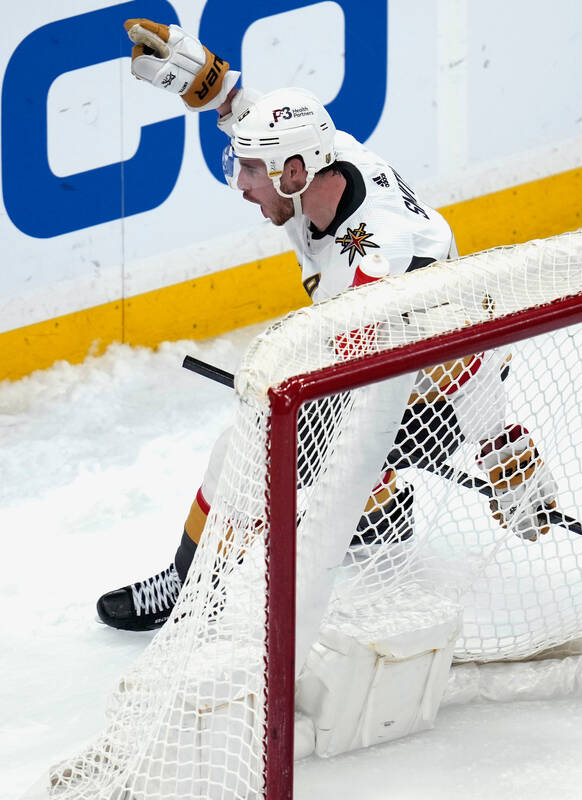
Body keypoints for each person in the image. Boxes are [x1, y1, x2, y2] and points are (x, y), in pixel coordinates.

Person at [96, 19, 557, 631]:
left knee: (246, 450)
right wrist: (212, 83)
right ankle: (383, 510)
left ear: (293, 174)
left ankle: (190, 588)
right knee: (330, 396)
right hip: (401, 365)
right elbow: (254, 116)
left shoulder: (387, 261)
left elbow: (459, 349)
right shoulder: (325, 161)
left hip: (437, 397)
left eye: (251, 171)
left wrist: (503, 449)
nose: (241, 183)